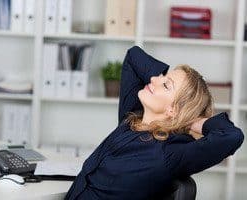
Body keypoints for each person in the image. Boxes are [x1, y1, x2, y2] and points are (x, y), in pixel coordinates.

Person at [65, 46, 244, 200]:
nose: (153, 79)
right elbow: (134, 56)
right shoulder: (131, 119)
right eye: (161, 77)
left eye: (166, 85)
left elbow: (232, 136)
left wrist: (190, 120)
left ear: (173, 110)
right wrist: (165, 83)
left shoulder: (170, 152)